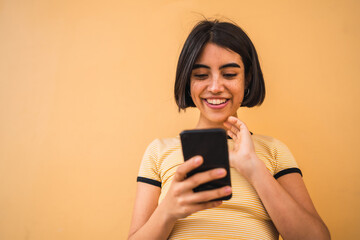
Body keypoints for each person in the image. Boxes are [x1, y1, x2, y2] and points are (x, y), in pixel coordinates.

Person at [128, 19, 331, 239]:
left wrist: (254, 168)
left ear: (248, 79)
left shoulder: (273, 151)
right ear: (188, 81)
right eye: (201, 75)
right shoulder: (159, 152)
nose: (215, 87)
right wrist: (167, 211)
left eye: (230, 74)